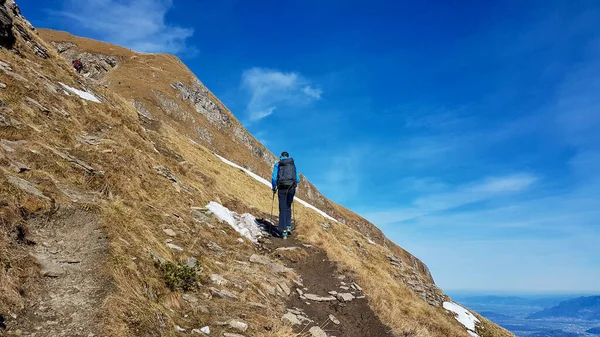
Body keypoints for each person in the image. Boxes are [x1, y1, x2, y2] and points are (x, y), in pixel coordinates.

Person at [271, 151, 301, 239]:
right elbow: (298, 179)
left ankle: (283, 230)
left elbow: (274, 178)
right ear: (288, 156)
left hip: (282, 188)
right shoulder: (292, 164)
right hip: (291, 188)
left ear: (281, 156)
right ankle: (288, 226)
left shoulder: (278, 164)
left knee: (282, 208)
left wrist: (274, 187)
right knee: (288, 206)